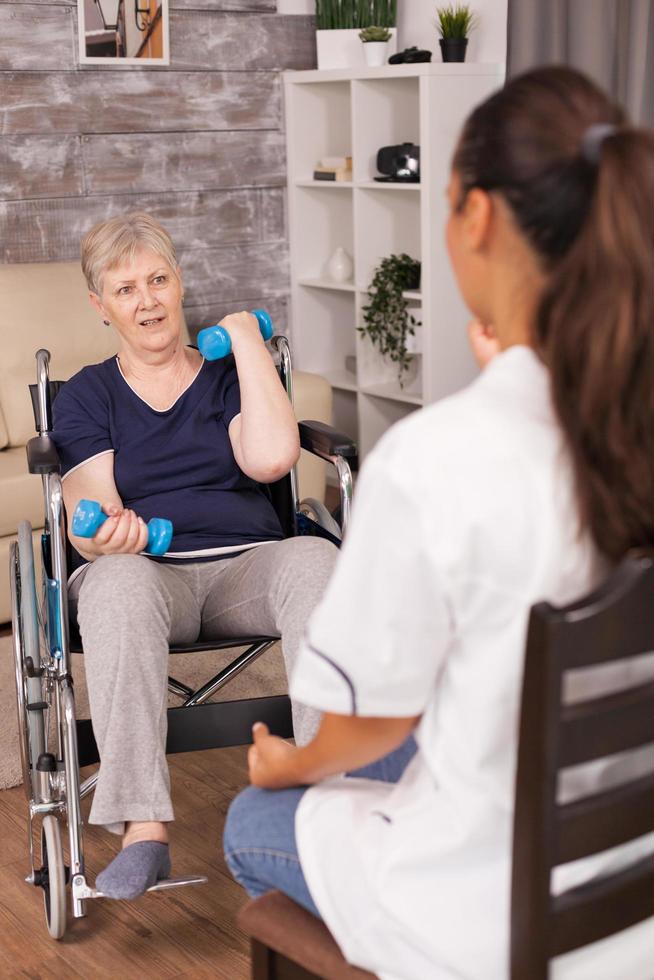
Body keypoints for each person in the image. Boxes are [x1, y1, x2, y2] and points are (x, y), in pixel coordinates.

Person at [223, 66, 654, 979]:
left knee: (252, 817)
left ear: (481, 219)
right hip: (634, 879)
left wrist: (290, 766)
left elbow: (369, 724)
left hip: (492, 917)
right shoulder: (622, 416)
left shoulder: (437, 459)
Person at [52, 212, 337, 899]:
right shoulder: (89, 394)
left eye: (158, 279)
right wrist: (107, 539)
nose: (147, 300)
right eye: (126, 289)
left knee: (315, 559)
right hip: (151, 574)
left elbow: (272, 459)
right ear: (100, 305)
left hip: (247, 567)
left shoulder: (225, 373)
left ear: (180, 283)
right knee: (113, 581)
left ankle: (333, 799)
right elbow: (87, 511)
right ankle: (143, 830)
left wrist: (246, 347)